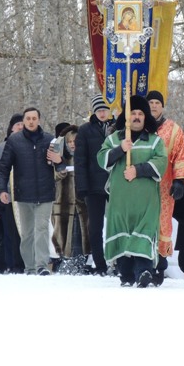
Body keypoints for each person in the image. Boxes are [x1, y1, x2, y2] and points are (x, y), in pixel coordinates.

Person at [97, 95, 167, 287]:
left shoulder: (155, 141)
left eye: (140, 114)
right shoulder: (114, 139)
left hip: (146, 203)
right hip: (120, 201)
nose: (136, 117)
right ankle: (126, 274)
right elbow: (101, 159)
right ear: (126, 117)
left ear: (146, 117)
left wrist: (138, 170)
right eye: (132, 113)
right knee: (123, 234)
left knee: (144, 233)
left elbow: (161, 162)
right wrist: (120, 149)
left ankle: (144, 271)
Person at [0, 107, 65, 275]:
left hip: (45, 192)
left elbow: (61, 168)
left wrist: (59, 160)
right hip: (23, 193)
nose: (31, 121)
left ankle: (41, 265)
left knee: (41, 229)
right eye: (28, 119)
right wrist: (1, 190)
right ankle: (30, 267)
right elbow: (3, 167)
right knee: (27, 233)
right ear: (24, 121)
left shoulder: (50, 140)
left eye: (34, 118)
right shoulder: (14, 141)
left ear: (39, 120)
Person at [146, 91, 184, 286]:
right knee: (142, 223)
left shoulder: (173, 129)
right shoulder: (139, 127)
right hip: (142, 186)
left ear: (162, 106)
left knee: (162, 224)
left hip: (164, 187)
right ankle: (141, 263)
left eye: (157, 102)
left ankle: (160, 265)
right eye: (150, 102)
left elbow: (181, 155)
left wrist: (179, 181)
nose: (154, 106)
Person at [75, 95, 115, 275]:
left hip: (114, 184)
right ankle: (100, 263)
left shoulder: (118, 127)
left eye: (105, 109)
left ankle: (118, 261)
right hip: (93, 185)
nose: (102, 113)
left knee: (116, 224)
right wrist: (82, 186)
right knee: (95, 227)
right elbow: (80, 160)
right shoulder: (85, 130)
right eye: (99, 110)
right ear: (94, 112)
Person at [0, 113, 24, 273]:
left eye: (22, 124)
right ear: (11, 128)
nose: (20, 127)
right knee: (10, 233)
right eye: (17, 124)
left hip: (26, 196)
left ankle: (27, 263)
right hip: (7, 195)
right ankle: (13, 265)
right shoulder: (3, 146)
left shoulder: (29, 145)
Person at [52, 124, 89, 260]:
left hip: (82, 202)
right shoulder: (60, 157)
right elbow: (53, 175)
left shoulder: (85, 157)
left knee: (82, 232)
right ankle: (64, 259)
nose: (73, 144)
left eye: (75, 141)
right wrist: (60, 170)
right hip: (63, 202)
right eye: (70, 142)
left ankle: (82, 260)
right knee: (63, 232)